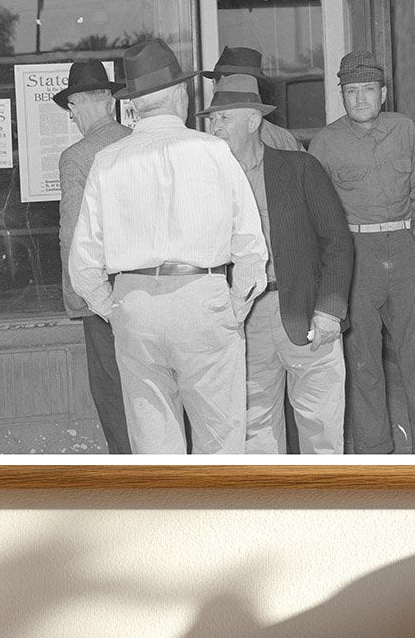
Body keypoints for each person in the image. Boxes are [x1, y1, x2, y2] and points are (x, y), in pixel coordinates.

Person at [68, 39, 267, 455]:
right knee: (220, 439)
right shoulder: (214, 151)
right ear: (181, 93)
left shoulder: (108, 160)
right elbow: (251, 249)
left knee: (154, 445)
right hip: (203, 298)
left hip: (135, 303)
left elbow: (83, 265)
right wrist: (234, 304)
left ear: (134, 105)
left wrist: (115, 308)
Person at [308, 51, 415, 455]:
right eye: (351, 91)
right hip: (355, 258)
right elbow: (315, 210)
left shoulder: (405, 130)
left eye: (368, 90)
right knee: (362, 360)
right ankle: (374, 450)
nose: (360, 99)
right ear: (342, 95)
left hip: (408, 252)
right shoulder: (324, 143)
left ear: (383, 93)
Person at [197, 75, 353, 454]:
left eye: (223, 119)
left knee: (321, 428)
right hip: (244, 320)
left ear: (253, 121)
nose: (214, 127)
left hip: (307, 312)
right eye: (211, 120)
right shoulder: (206, 180)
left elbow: (337, 242)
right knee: (254, 428)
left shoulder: (300, 168)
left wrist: (329, 310)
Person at [54, 60, 132, 455]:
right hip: (153, 286)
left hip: (102, 295)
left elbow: (72, 234)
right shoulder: (138, 142)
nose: (72, 117)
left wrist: (78, 300)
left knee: (113, 393)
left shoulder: (77, 157)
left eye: (72, 108)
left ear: (83, 105)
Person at [203, 46, 302, 152]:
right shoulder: (285, 138)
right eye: (212, 118)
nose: (216, 126)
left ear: (214, 83)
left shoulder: (218, 142)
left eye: (225, 117)